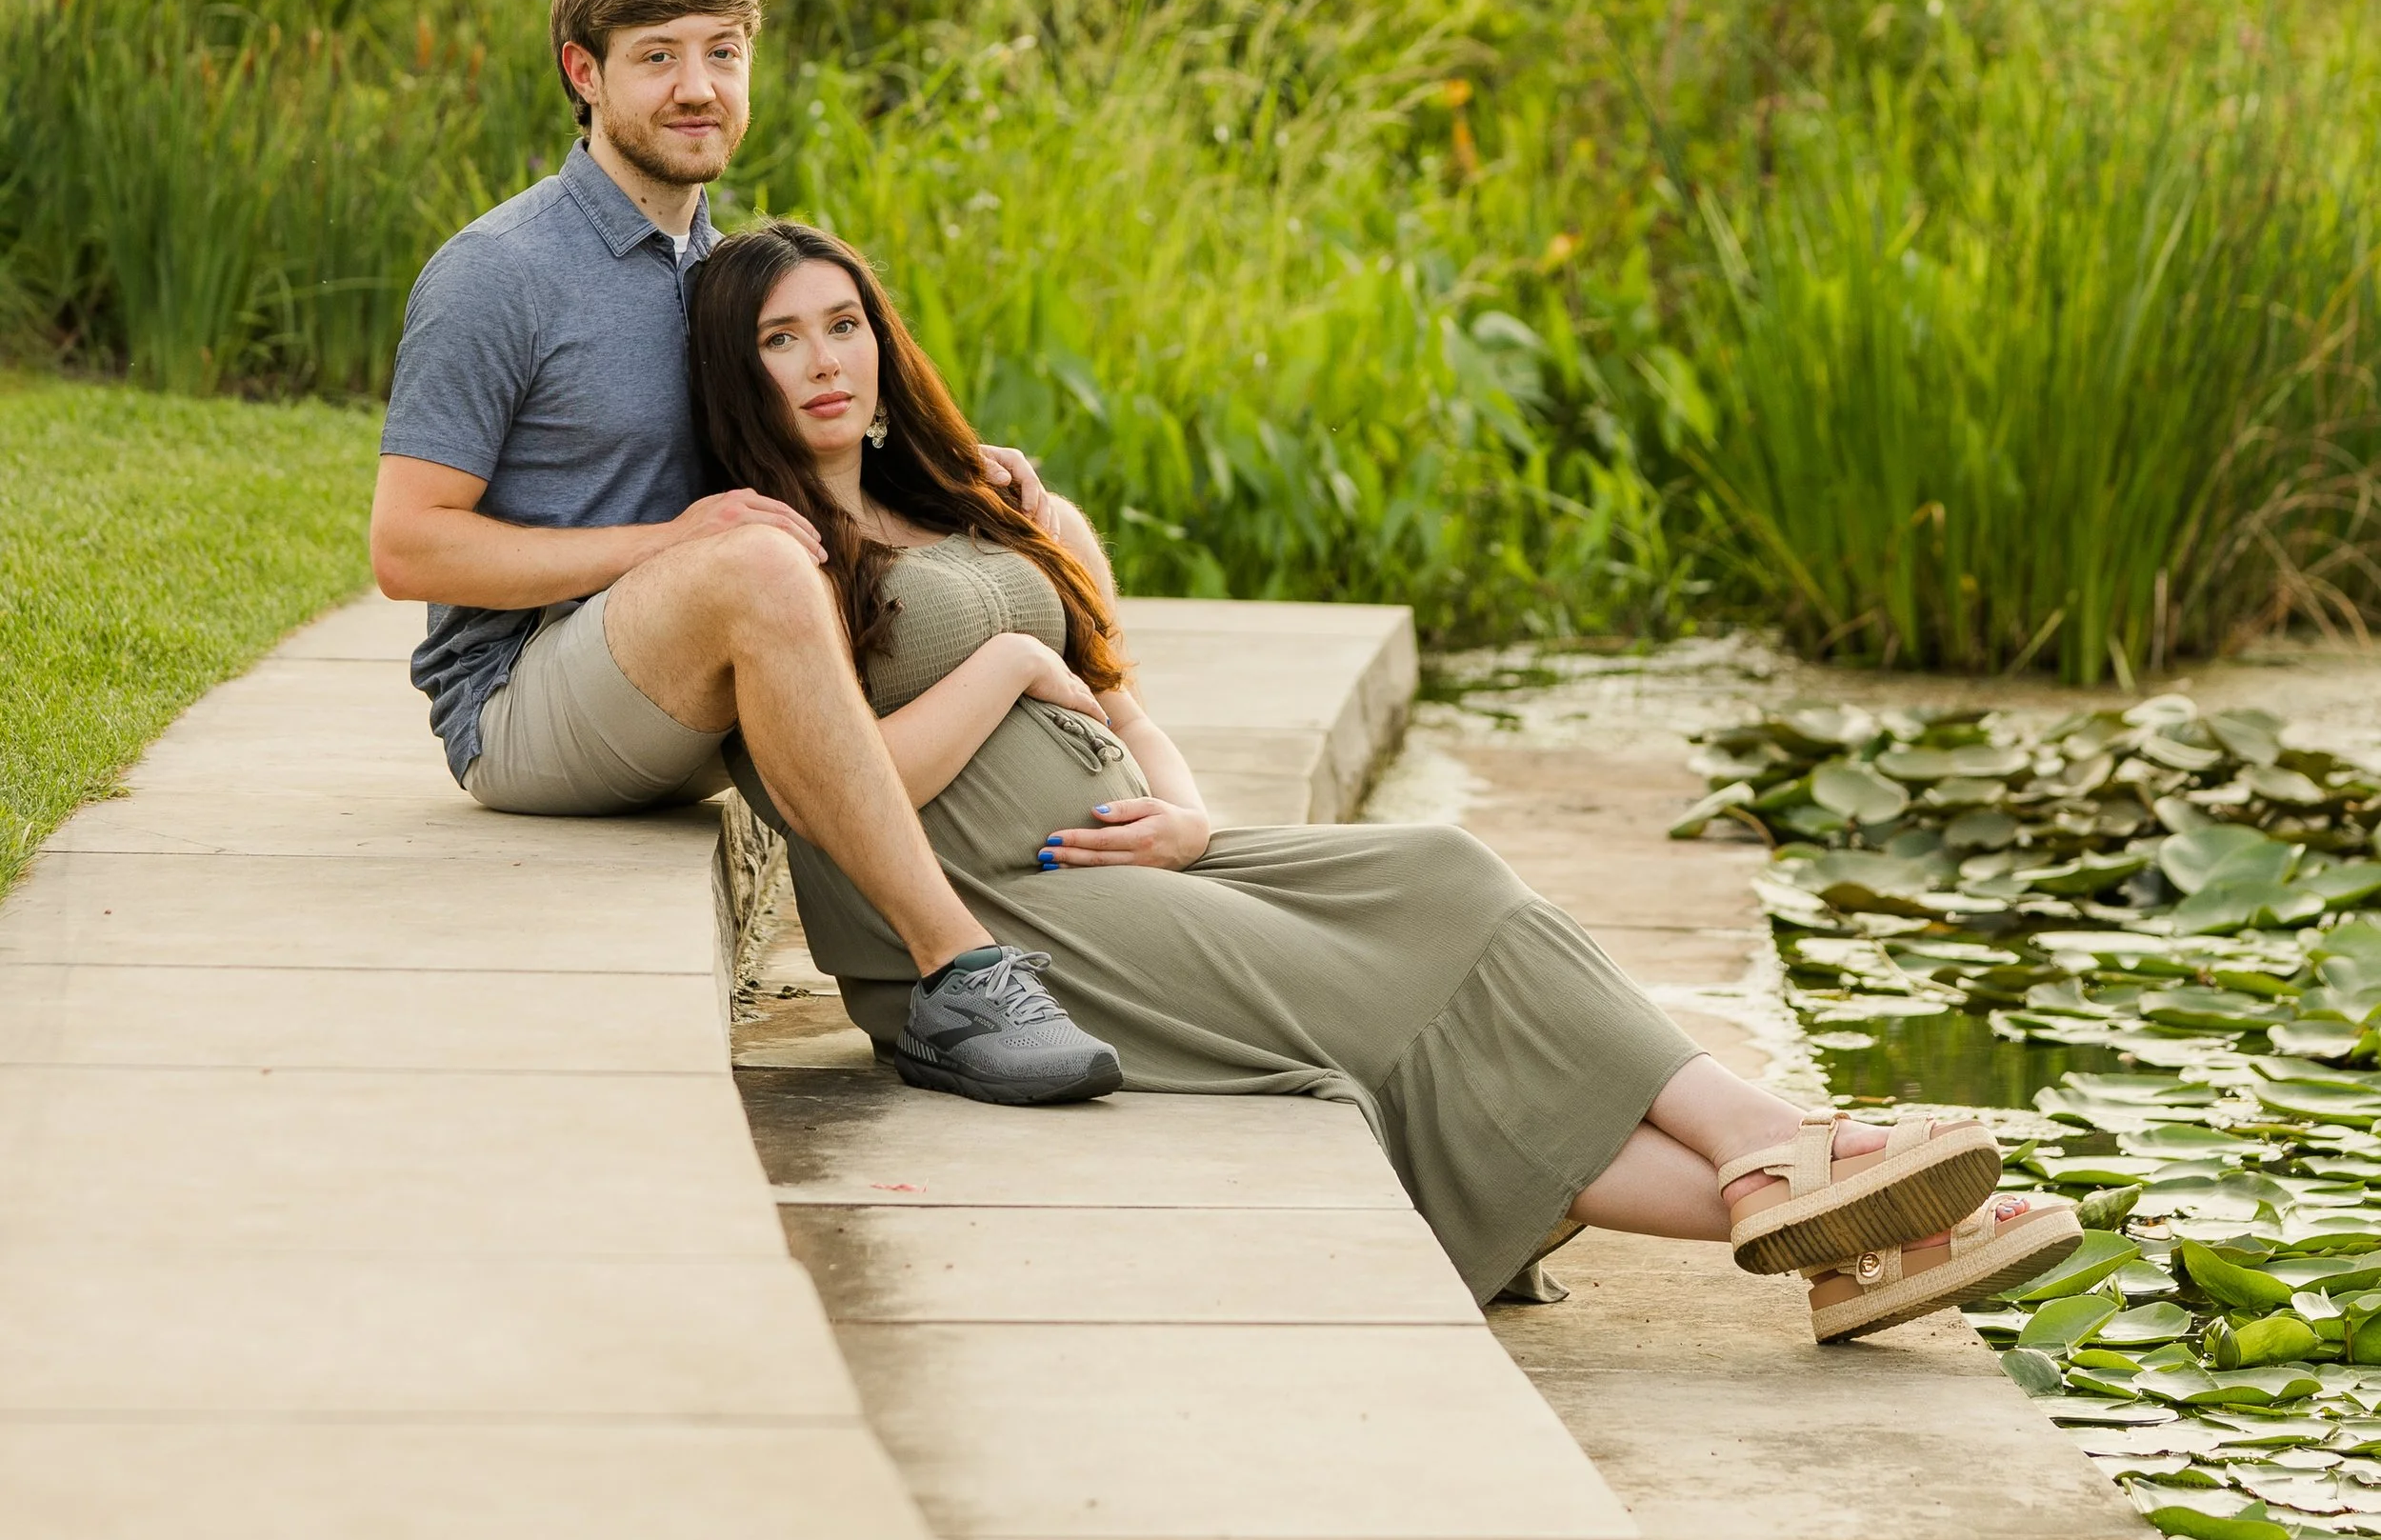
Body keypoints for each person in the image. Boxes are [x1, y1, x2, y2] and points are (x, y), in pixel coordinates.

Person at [690, 213, 2085, 1334]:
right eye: (780, 339)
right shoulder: (767, 552)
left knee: (1446, 873)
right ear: (735, 374)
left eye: (843, 322)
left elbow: (1118, 689)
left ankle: (1802, 1185)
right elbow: (839, 785)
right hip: (1001, 909)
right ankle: (1832, 1185)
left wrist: (1184, 808)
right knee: (1382, 1008)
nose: (827, 361)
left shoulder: (971, 488)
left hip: (1140, 851)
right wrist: (1003, 668)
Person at [369, 0, 1121, 1108]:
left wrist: (939, 462)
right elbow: (406, 548)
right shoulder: (498, 273)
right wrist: (675, 542)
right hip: (521, 703)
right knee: (759, 565)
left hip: (676, 681)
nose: (698, 88)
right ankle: (956, 970)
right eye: (657, 57)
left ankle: (1156, 837)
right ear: (584, 75)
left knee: (1014, 511)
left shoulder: (716, 263)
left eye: (722, 53)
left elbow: (788, 441)